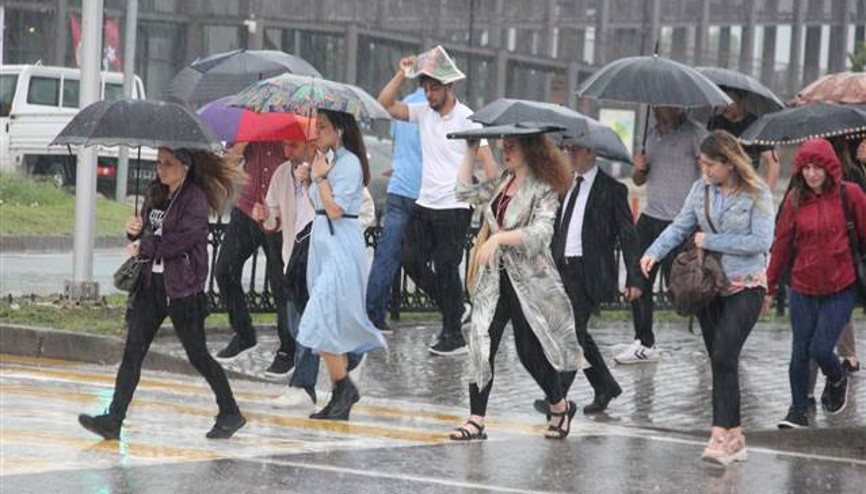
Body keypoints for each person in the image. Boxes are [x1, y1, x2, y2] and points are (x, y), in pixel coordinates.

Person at [79, 148, 246, 440]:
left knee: (197, 355)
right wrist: (134, 231)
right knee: (132, 352)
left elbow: (180, 241)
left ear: (185, 165)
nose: (161, 169)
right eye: (158, 163)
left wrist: (145, 245)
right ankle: (114, 419)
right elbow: (147, 231)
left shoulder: (194, 198)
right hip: (150, 287)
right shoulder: (156, 192)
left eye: (168, 164)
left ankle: (230, 411)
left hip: (182, 289)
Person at [640, 130, 774, 465]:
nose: (705, 169)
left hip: (746, 286)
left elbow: (760, 242)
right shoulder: (701, 189)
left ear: (729, 163)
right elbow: (680, 227)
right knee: (719, 359)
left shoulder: (757, 192)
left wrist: (712, 241)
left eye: (711, 164)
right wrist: (653, 253)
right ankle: (734, 435)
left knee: (726, 353)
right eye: (702, 163)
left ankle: (718, 434)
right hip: (709, 286)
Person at [449, 134, 585, 441]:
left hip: (530, 282)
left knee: (529, 352)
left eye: (512, 145)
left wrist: (499, 238)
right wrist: (471, 149)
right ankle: (476, 419)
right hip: (494, 280)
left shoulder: (544, 186)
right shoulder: (501, 182)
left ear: (530, 148)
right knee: (481, 342)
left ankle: (560, 406)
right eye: (503, 144)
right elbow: (462, 193)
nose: (505, 149)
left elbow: (540, 233)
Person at [378, 55, 498, 356]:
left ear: (449, 86)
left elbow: (489, 164)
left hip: (455, 206)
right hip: (425, 202)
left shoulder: (468, 118)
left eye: (435, 88)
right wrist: (400, 75)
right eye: (426, 88)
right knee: (410, 260)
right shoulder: (423, 113)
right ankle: (455, 308)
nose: (430, 95)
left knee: (446, 266)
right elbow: (385, 103)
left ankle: (453, 335)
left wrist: (485, 198)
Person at [254, 136, 373, 408]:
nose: (288, 151)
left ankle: (302, 385)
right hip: (294, 261)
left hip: (324, 262)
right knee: (298, 326)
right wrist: (264, 217)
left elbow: (365, 211)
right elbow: (275, 219)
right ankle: (353, 354)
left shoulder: (333, 170)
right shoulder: (282, 174)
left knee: (309, 324)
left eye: (293, 145)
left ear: (310, 144)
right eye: (285, 146)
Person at [535, 138, 642, 416]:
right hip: (563, 268)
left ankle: (556, 397)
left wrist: (634, 277)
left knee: (571, 334)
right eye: (567, 148)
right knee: (579, 334)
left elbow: (628, 237)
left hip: (590, 273)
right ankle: (605, 385)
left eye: (575, 149)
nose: (569, 153)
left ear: (592, 151)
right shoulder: (564, 185)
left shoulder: (612, 190)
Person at [767, 139, 866, 430]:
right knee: (799, 351)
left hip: (840, 287)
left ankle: (837, 378)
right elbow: (781, 245)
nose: (811, 174)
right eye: (806, 168)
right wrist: (769, 286)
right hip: (802, 287)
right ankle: (797, 411)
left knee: (821, 349)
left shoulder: (851, 195)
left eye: (817, 168)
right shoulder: (795, 200)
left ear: (829, 168)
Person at [296, 109, 387, 421]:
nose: (317, 132)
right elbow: (318, 204)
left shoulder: (349, 164)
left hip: (340, 246)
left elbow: (336, 210)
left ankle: (344, 386)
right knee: (326, 322)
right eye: (316, 126)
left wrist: (320, 177)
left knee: (318, 320)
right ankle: (341, 394)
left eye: (322, 127)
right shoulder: (328, 159)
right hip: (321, 245)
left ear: (340, 130)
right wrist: (309, 178)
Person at [616, 107, 707, 364]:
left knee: (683, 288)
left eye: (663, 105)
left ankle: (712, 332)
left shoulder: (696, 135)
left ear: (679, 107)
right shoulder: (651, 134)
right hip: (650, 217)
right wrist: (639, 168)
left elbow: (709, 175)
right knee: (639, 278)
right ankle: (644, 342)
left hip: (680, 222)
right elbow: (638, 180)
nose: (657, 109)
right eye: (655, 105)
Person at [214, 141, 295, 376]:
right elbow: (225, 165)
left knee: (281, 285)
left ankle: (288, 349)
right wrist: (242, 144)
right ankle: (244, 333)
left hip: (279, 213)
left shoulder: (287, 127)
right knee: (224, 270)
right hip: (248, 208)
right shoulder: (249, 127)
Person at [366, 87, 425, 333]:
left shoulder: (405, 103)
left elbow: (396, 147)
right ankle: (451, 307)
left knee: (386, 256)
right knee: (433, 256)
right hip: (424, 192)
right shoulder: (439, 110)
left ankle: (373, 315)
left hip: (398, 188)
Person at [707, 88, 781, 191]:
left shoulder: (757, 124)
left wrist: (767, 194)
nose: (726, 106)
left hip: (746, 184)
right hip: (719, 185)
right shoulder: (715, 123)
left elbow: (772, 162)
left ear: (742, 102)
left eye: (731, 101)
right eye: (723, 101)